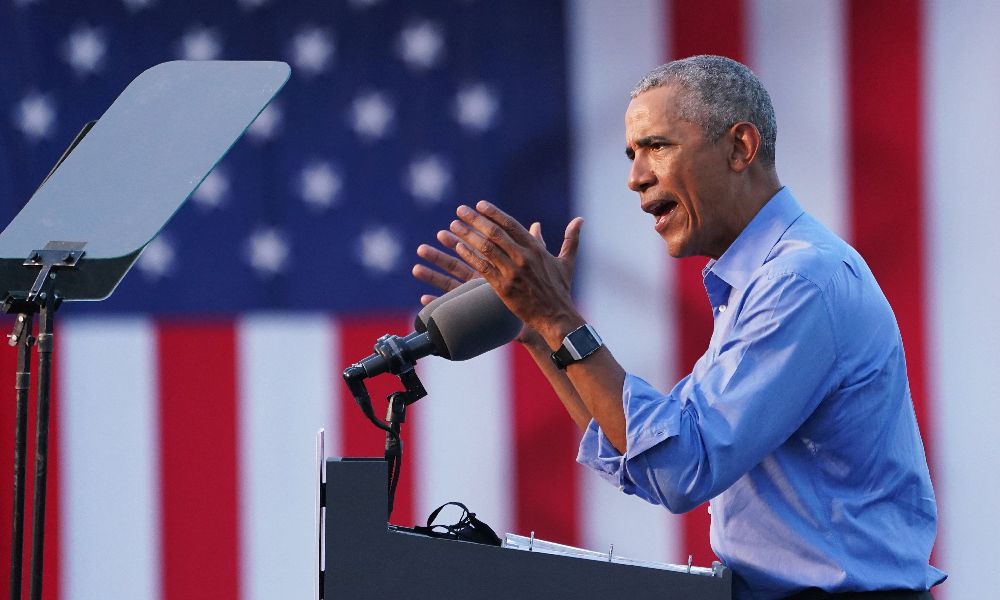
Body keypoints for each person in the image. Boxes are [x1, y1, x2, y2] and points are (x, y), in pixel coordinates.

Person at [412, 55, 945, 600]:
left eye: (657, 146)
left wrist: (557, 316)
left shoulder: (799, 281)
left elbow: (681, 466)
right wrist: (542, 331)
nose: (635, 177)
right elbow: (645, 455)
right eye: (632, 154)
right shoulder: (767, 279)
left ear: (740, 147)